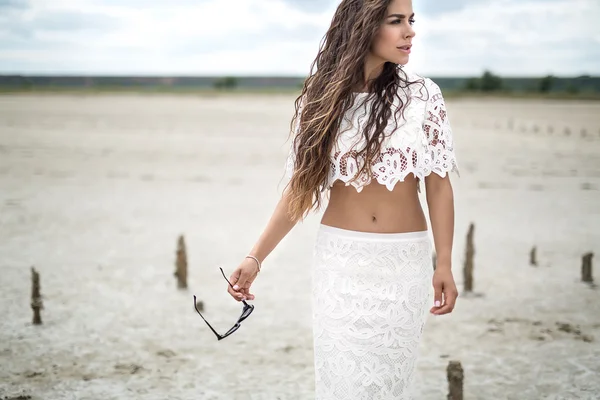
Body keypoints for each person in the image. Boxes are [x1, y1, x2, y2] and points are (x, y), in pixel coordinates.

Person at [226, 0, 459, 398]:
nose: (410, 32)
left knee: (388, 386)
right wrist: (255, 256)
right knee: (342, 385)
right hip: (341, 264)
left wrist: (446, 262)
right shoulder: (323, 98)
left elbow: (438, 185)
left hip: (404, 265)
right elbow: (299, 191)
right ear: (365, 26)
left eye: (412, 21)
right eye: (396, 21)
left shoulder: (423, 95)